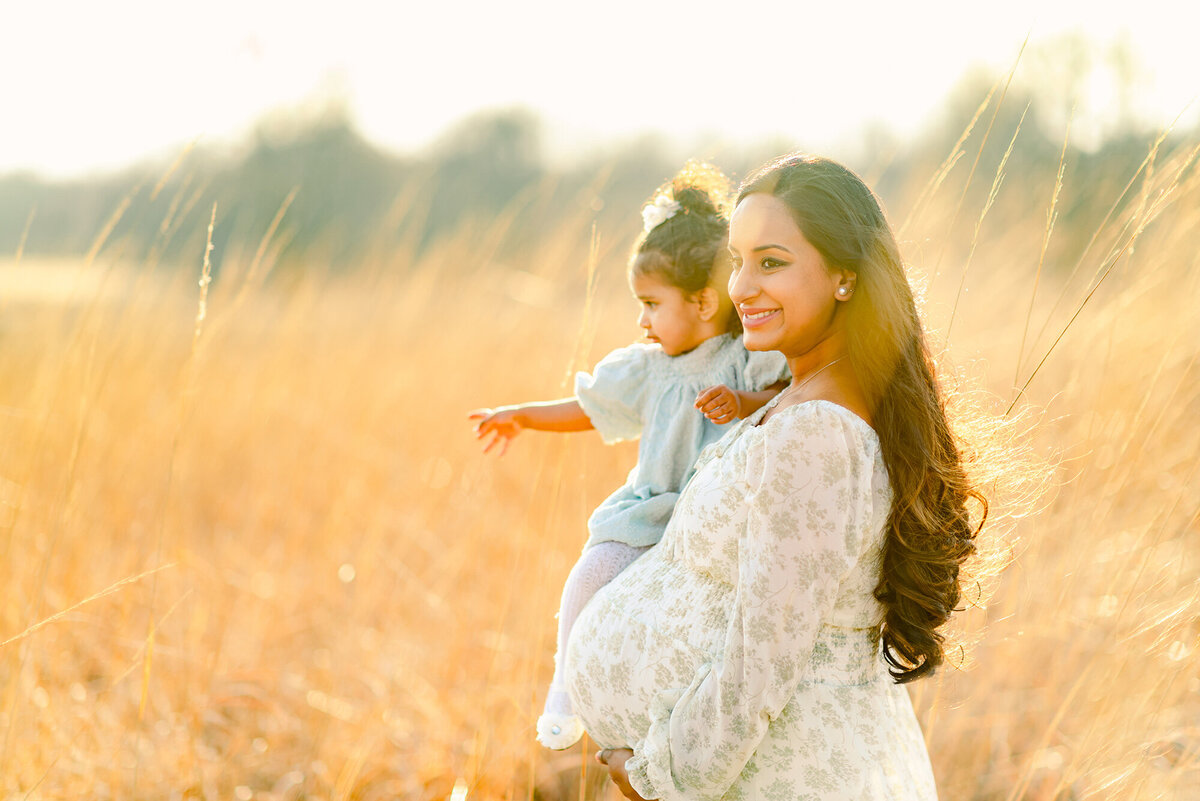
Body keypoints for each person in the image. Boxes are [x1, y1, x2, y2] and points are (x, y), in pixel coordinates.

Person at [567, 154, 987, 800]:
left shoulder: (820, 434)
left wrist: (659, 776)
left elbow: (759, 661)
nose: (742, 288)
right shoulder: (796, 398)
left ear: (844, 276)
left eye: (772, 262)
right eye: (736, 261)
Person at [469, 163, 789, 751]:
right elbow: (588, 407)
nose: (640, 320)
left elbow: (784, 398)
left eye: (650, 303)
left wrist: (741, 400)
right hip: (649, 514)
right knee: (591, 574)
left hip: (715, 514)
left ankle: (700, 722)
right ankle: (567, 689)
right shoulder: (647, 368)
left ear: (702, 300)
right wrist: (522, 415)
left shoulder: (747, 354)